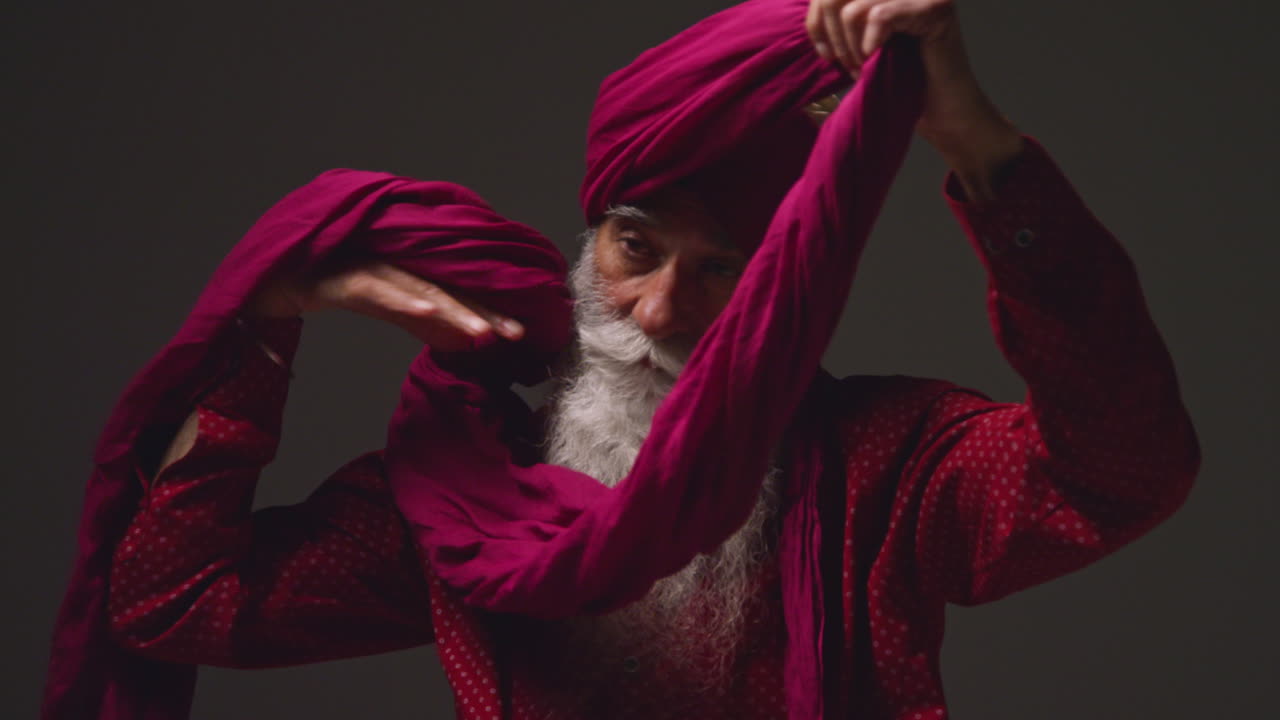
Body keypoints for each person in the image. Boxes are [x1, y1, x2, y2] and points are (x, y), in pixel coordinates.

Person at [44, 1, 1199, 719]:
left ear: (790, 291)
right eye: (633, 249)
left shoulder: (886, 466)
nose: (655, 313)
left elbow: (1123, 470)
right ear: (589, 236)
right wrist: (265, 326)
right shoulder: (467, 497)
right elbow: (177, 603)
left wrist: (979, 150)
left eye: (723, 273)